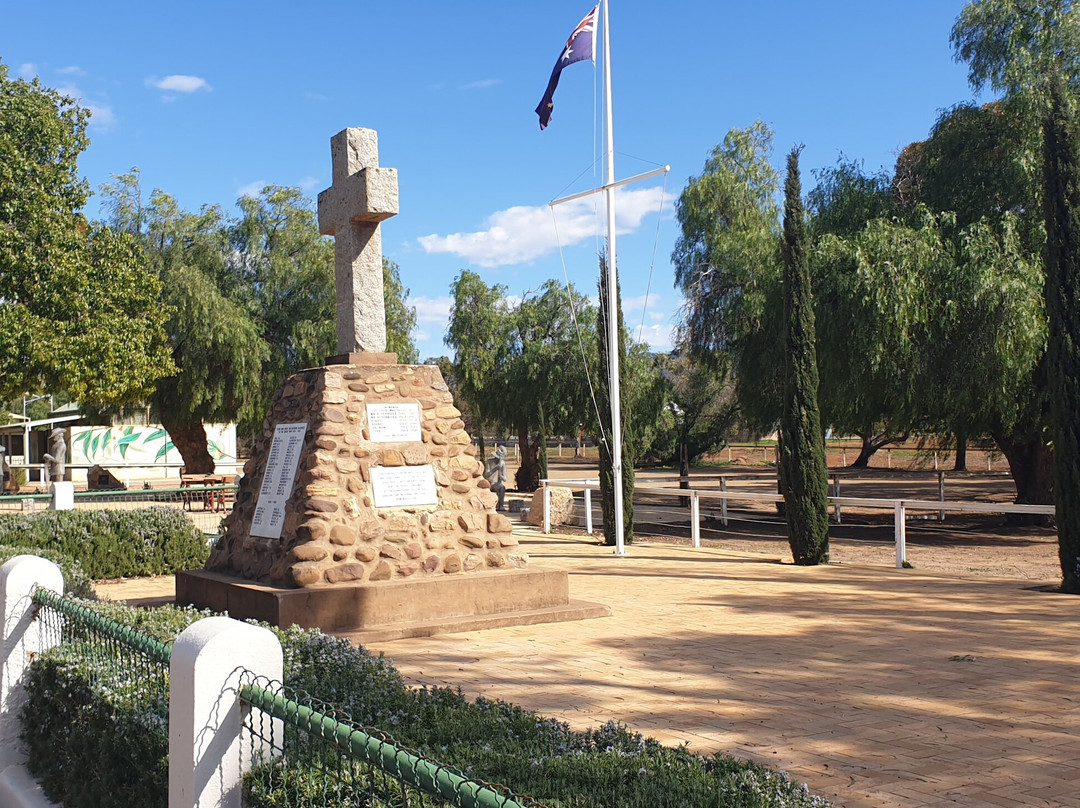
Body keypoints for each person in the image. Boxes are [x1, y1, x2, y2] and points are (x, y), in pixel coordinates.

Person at [484, 445, 508, 512]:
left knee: (501, 487)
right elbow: (486, 475)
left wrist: (500, 475)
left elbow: (505, 478)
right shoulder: (489, 462)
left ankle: (501, 506)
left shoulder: (502, 463)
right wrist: (495, 469)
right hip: (490, 483)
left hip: (498, 483)